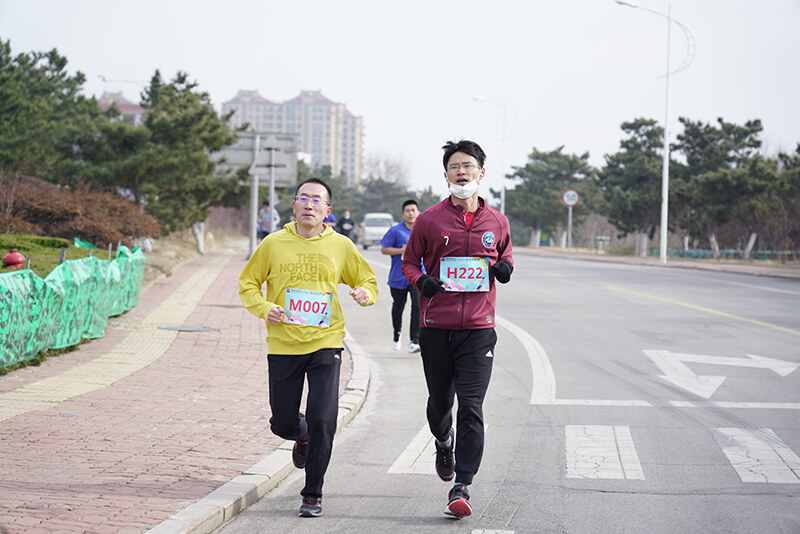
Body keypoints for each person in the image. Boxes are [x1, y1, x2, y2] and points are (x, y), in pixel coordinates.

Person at [239, 178, 378, 518]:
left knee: (323, 418)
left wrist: (364, 294)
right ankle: (300, 436)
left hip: (325, 343)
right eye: (303, 198)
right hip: (284, 343)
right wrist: (264, 308)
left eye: (317, 200)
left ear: (328, 210)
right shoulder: (273, 244)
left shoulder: (341, 245)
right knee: (283, 423)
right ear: (294, 206)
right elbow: (248, 284)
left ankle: (313, 492)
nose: (309, 204)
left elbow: (367, 281)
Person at [402, 139, 513, 519]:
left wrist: (505, 270)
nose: (461, 172)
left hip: (479, 330)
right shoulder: (429, 220)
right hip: (436, 327)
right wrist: (423, 283)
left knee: (472, 406)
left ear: (482, 173)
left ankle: (462, 484)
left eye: (468, 166)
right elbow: (409, 263)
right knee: (439, 405)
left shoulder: (497, 221)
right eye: (455, 167)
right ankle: (443, 441)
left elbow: (506, 257)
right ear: (446, 175)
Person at [380, 199, 421, 353]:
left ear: (418, 213)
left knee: (417, 306)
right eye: (408, 211)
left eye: (413, 210)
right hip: (398, 276)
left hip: (417, 276)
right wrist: (402, 251)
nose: (411, 213)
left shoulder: (422, 230)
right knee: (398, 307)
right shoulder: (396, 231)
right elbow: (384, 249)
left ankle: (414, 341)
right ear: (403, 214)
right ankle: (396, 334)